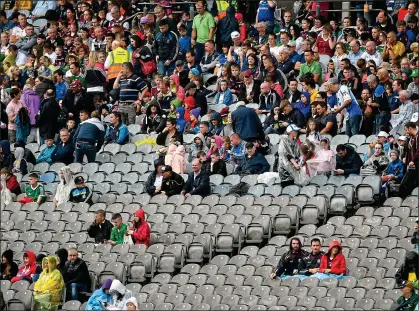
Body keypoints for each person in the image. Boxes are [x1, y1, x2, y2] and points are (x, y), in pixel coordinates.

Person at [400, 122, 419, 197]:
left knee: (409, 184)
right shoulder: (411, 138)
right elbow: (409, 151)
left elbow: (418, 151)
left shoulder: (418, 136)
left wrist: (413, 161)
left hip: (416, 164)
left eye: (406, 130)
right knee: (407, 184)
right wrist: (407, 161)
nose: (406, 132)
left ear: (410, 128)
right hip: (412, 165)